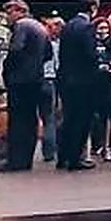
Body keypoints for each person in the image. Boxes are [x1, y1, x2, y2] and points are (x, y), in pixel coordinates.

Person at [1, 0, 50, 172]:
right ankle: (26, 159)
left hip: (19, 80)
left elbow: (16, 50)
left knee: (17, 121)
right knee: (30, 119)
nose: (7, 17)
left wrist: (7, 69)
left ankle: (15, 160)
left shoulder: (21, 26)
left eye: (9, 12)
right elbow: (48, 54)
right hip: (36, 78)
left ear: (18, 11)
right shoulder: (40, 27)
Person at [56, 0, 100, 171]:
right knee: (82, 120)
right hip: (83, 80)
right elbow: (90, 54)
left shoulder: (68, 26)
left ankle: (63, 157)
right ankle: (76, 158)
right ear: (92, 8)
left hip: (66, 79)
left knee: (68, 118)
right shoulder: (87, 27)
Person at [92, 17, 111, 161]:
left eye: (105, 28)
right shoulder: (91, 42)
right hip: (95, 83)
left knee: (109, 116)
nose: (103, 31)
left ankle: (108, 145)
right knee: (96, 116)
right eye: (100, 28)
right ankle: (97, 144)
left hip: (110, 83)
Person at [39, 16, 63, 161]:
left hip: (41, 79)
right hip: (52, 80)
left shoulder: (40, 42)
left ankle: (48, 150)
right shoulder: (57, 45)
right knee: (51, 117)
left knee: (46, 116)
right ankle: (51, 150)